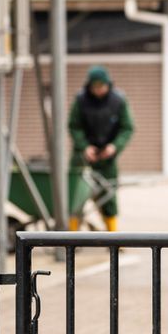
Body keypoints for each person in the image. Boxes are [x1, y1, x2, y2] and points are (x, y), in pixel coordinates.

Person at [68, 65, 135, 231]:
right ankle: (70, 235)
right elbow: (74, 125)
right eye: (95, 87)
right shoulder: (81, 100)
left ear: (108, 84)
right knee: (75, 197)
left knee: (108, 197)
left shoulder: (118, 101)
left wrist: (114, 147)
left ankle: (113, 235)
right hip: (83, 157)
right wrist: (84, 146)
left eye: (101, 86)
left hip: (107, 158)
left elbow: (127, 127)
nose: (98, 90)